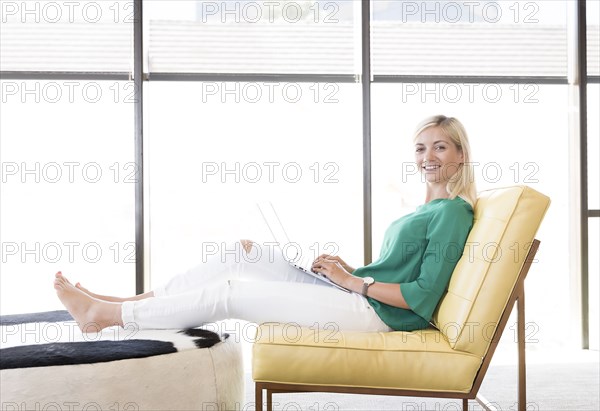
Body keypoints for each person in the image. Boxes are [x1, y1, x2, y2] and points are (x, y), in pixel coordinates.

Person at [54, 114, 476, 334]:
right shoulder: (423, 209)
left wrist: (353, 282)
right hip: (358, 294)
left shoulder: (453, 212)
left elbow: (423, 296)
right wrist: (346, 269)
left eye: (440, 147)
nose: (428, 157)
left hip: (380, 315)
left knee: (231, 293)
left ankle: (107, 315)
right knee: (244, 250)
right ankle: (132, 300)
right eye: (421, 148)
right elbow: (397, 270)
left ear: (460, 155)